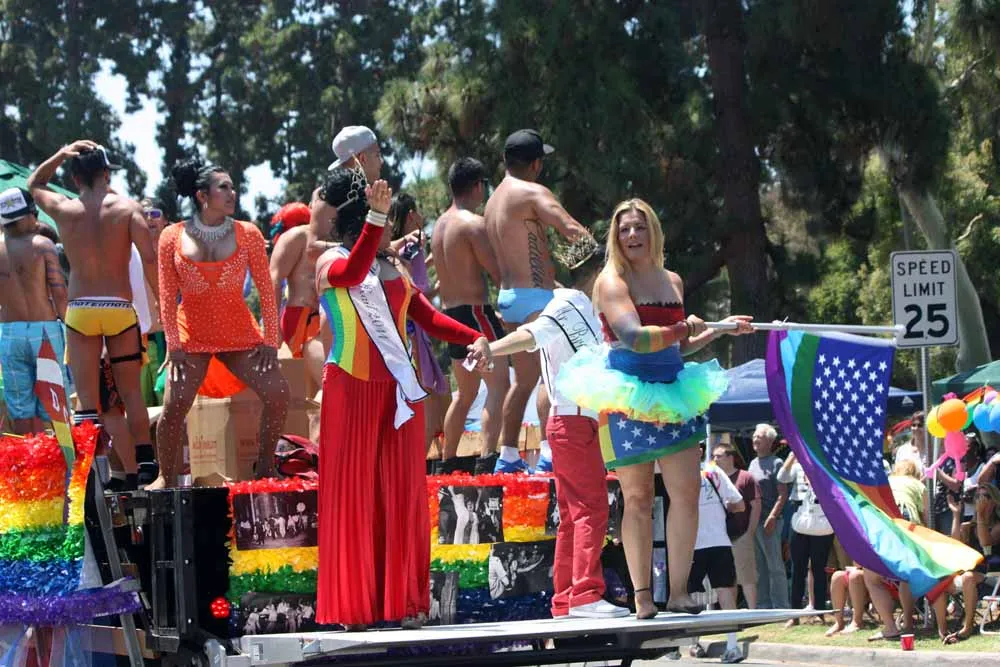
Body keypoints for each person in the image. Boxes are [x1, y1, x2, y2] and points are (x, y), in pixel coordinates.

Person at [556, 198, 752, 618]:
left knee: (687, 495)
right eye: (624, 229)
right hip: (628, 397)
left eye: (639, 227)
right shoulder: (611, 281)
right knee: (638, 497)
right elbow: (635, 338)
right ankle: (643, 596)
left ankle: (678, 592)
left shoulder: (673, 280)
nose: (632, 235)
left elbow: (679, 347)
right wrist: (682, 327)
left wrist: (722, 328)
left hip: (675, 394)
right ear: (616, 236)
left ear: (653, 232)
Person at [313, 167, 490, 630]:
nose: (391, 223)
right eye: (383, 215)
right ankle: (356, 608)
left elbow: (428, 318)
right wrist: (376, 221)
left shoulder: (393, 267)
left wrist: (474, 336)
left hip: (399, 391)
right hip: (350, 386)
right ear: (364, 217)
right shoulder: (329, 260)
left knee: (402, 494)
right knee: (355, 495)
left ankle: (401, 603)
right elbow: (353, 273)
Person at [468, 240, 629, 618]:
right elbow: (533, 333)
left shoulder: (587, 309)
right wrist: (492, 348)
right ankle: (586, 595)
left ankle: (566, 599)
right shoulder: (568, 303)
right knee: (591, 508)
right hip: (572, 421)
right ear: (602, 270)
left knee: (574, 513)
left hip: (575, 421)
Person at [152, 158, 290, 488]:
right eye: (224, 187)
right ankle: (165, 478)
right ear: (202, 196)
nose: (233, 193)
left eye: (233, 187)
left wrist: (270, 340)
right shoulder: (171, 236)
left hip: (239, 333)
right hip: (191, 335)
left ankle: (265, 469)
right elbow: (167, 296)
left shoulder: (249, 233)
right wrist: (174, 345)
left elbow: (266, 290)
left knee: (279, 393)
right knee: (174, 405)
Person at [27, 141, 159, 484]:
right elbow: (149, 258)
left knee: (87, 402)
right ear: (106, 174)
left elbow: (34, 183)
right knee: (131, 393)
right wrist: (161, 301)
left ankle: (91, 474)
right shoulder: (128, 209)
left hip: (81, 309)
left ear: (74, 179)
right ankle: (145, 460)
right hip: (119, 307)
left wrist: (61, 153)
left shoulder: (64, 208)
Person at [485, 130, 593, 474]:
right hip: (535, 296)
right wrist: (595, 265)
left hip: (508, 297)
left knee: (524, 380)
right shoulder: (532, 191)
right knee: (550, 377)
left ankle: (507, 456)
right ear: (536, 164)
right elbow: (573, 229)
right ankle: (548, 454)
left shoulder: (492, 202)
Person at [433, 157, 509, 474]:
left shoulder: (439, 227)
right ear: (478, 186)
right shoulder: (472, 224)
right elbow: (499, 275)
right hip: (477, 315)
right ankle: (488, 460)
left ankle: (446, 464)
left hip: (451, 318)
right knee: (499, 386)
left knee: (465, 394)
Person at [0, 187, 69, 434]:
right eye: (35, 214)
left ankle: (28, 458)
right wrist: (71, 328)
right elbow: (59, 292)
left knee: (20, 408)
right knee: (54, 403)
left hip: (9, 332)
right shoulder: (42, 245)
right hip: (45, 331)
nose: (37, 220)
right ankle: (59, 458)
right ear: (27, 215)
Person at [388, 192, 452, 456]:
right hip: (413, 334)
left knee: (429, 398)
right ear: (412, 215)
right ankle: (418, 464)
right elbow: (415, 290)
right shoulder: (413, 244)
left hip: (406, 330)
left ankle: (420, 461)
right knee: (428, 399)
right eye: (420, 212)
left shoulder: (399, 248)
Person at [687, 462, 746, 664]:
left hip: (691, 543)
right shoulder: (713, 471)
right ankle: (732, 646)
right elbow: (739, 504)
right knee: (725, 592)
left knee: (691, 594)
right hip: (720, 541)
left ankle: (693, 643)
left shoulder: (678, 471)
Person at [269, 200, 328, 388]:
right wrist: (272, 331)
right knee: (330, 384)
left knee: (316, 391)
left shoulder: (336, 236)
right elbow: (273, 280)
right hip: (304, 319)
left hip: (328, 318)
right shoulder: (297, 236)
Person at [778, 452, 833, 624]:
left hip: (821, 522)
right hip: (800, 521)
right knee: (798, 569)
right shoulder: (797, 466)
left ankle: (819, 612)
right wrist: (792, 456)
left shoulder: (826, 466)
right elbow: (781, 477)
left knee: (819, 569)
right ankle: (794, 615)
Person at [712, 441, 762, 609]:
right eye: (713, 456)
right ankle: (732, 614)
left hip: (741, 534)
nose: (715, 460)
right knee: (728, 578)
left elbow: (756, 506)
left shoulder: (745, 477)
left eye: (719, 456)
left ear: (730, 457)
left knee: (746, 576)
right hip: (720, 536)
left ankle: (753, 611)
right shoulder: (713, 479)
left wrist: (750, 532)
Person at [748, 423, 790, 609]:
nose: (755, 439)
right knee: (759, 566)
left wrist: (772, 517)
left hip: (770, 521)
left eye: (759, 436)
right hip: (754, 521)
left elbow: (783, 494)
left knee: (775, 566)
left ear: (770, 441)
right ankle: (763, 605)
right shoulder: (752, 463)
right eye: (754, 436)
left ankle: (781, 605)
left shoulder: (777, 463)